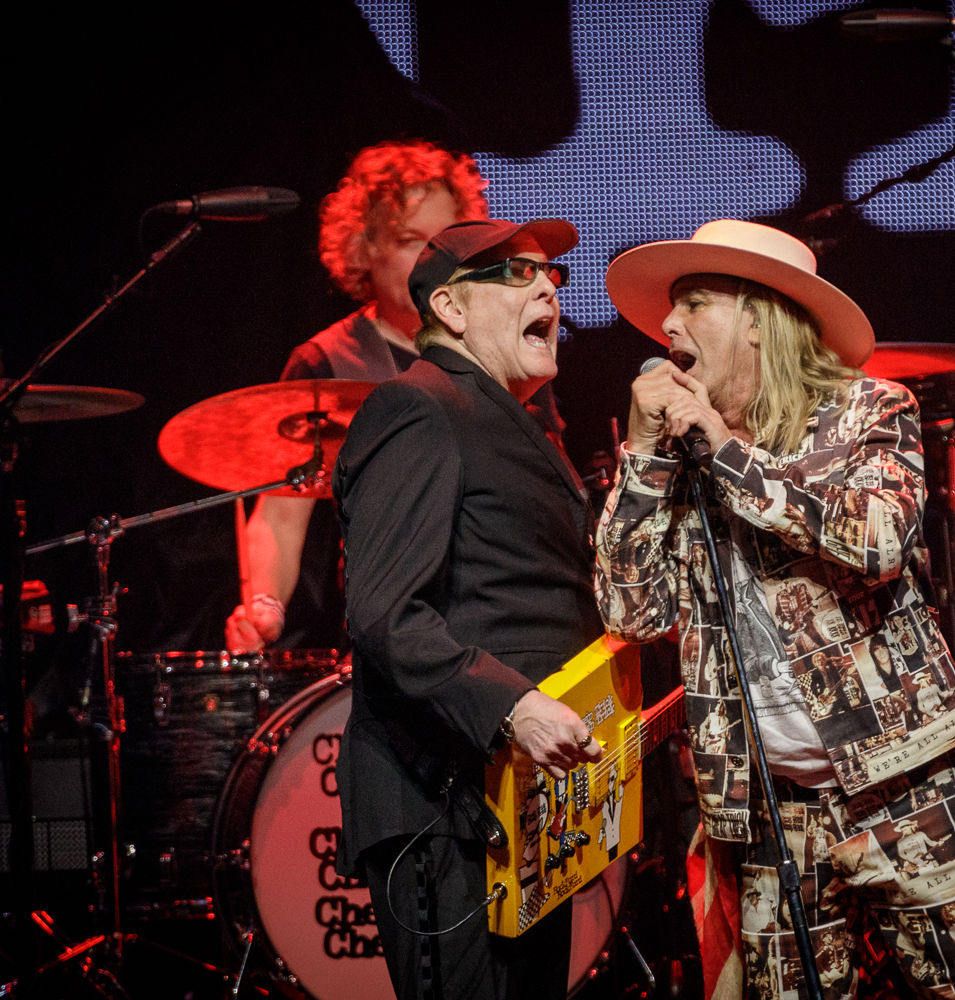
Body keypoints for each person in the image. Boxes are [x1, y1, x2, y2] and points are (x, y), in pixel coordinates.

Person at [594, 220, 955, 999]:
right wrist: (645, 460)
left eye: (695, 304)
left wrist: (725, 451)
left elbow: (878, 539)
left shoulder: (869, 413)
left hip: (902, 783)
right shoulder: (675, 455)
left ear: (758, 317)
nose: (668, 328)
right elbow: (632, 610)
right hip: (765, 803)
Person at [331, 217, 605, 1000]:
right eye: (521, 274)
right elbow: (386, 613)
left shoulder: (507, 419)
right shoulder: (418, 407)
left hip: (516, 802)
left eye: (552, 273)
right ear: (451, 308)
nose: (550, 285)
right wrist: (514, 706)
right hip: (442, 808)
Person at [225, 140, 489, 651]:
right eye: (411, 241)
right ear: (366, 248)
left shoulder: (500, 347)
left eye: (445, 243)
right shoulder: (327, 364)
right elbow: (280, 516)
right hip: (396, 632)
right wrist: (265, 609)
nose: (431, 261)